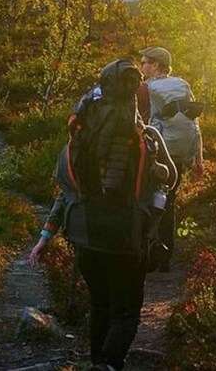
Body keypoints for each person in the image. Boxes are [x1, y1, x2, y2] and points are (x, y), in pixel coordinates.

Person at [29, 59, 176, 371]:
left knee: (100, 305)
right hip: (125, 239)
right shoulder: (145, 140)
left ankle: (98, 361)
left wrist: (45, 236)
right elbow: (167, 184)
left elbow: (67, 191)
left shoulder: (83, 137)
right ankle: (108, 365)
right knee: (125, 311)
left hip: (83, 234)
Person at [137, 47, 204, 272]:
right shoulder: (182, 86)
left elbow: (139, 123)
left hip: (156, 155)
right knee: (168, 202)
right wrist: (198, 160)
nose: (142, 66)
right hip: (177, 155)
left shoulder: (145, 89)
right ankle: (165, 258)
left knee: (148, 201)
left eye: (145, 62)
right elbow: (194, 123)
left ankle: (149, 258)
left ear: (156, 65)